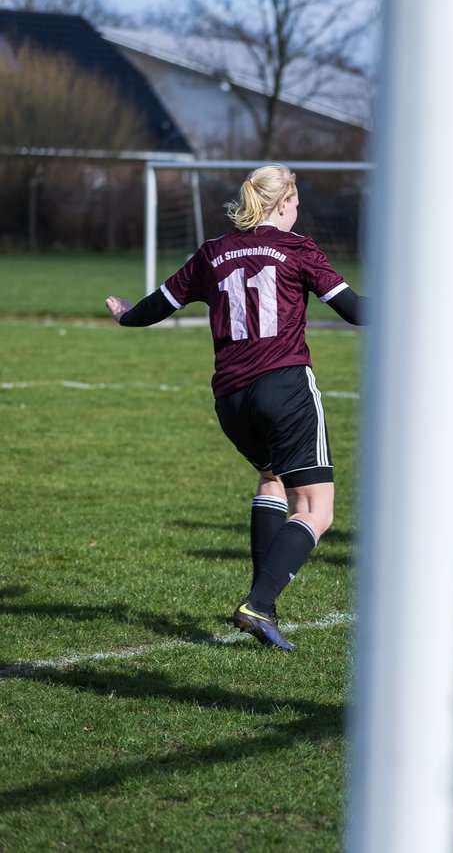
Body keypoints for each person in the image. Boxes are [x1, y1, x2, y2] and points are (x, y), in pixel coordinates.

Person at [105, 164, 369, 650]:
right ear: (284, 202)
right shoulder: (297, 248)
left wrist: (125, 317)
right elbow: (356, 311)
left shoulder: (212, 252)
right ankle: (260, 602)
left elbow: (158, 306)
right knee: (316, 509)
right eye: (296, 201)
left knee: (271, 478)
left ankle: (262, 605)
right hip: (284, 388)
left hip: (230, 399)